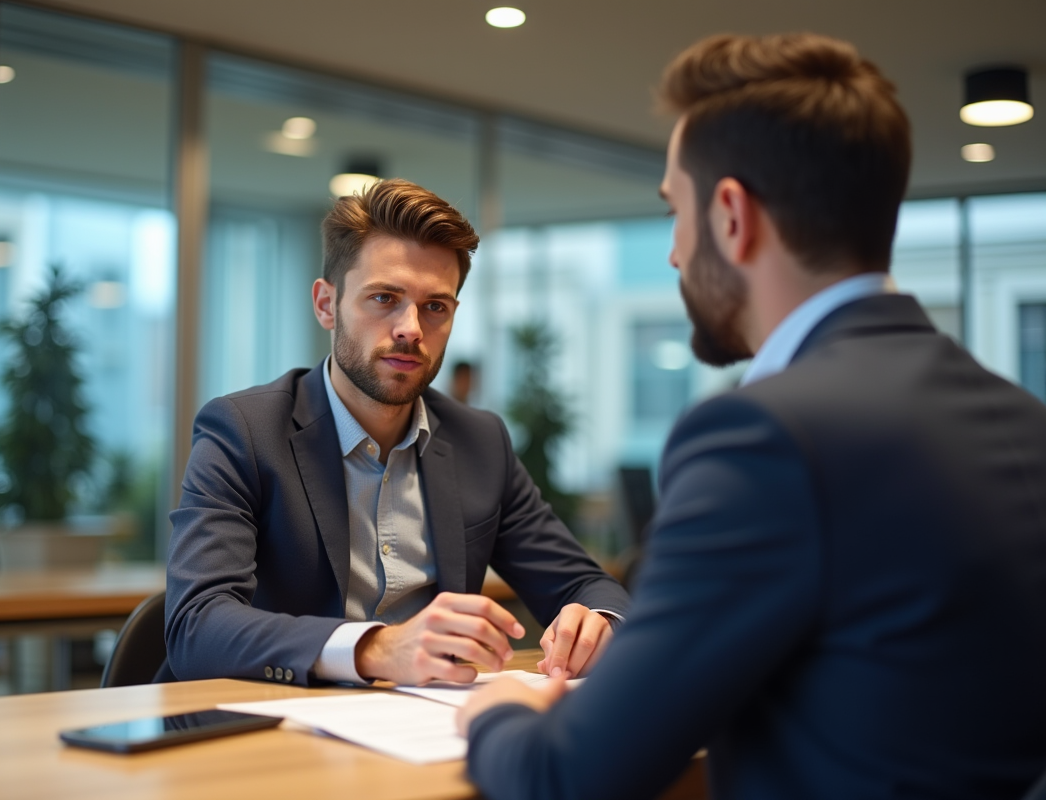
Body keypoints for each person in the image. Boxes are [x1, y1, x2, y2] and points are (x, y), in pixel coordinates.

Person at [459, 33, 1046, 799]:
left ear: (732, 215)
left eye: (677, 211)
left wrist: (498, 707)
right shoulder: (1020, 417)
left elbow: (566, 774)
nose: (673, 252)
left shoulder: (763, 438)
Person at [166, 179, 630, 688]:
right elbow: (196, 625)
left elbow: (585, 585)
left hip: (427, 731)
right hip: (277, 729)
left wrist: (597, 624)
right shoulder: (244, 431)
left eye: (436, 306)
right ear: (326, 304)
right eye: (384, 298)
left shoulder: (481, 442)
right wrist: (377, 647)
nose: (410, 327)